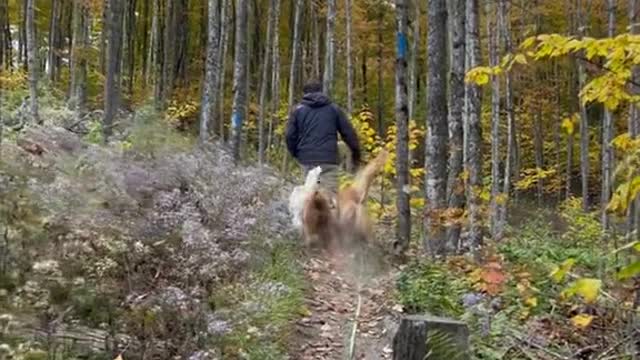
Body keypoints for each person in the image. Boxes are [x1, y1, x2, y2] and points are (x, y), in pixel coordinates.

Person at [285, 81, 361, 195]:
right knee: (330, 199)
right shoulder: (334, 109)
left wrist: (296, 153)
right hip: (328, 159)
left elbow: (290, 136)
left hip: (307, 160)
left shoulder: (297, 111)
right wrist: (356, 154)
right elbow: (348, 133)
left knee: (309, 196)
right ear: (321, 91)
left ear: (304, 94)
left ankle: (308, 210)